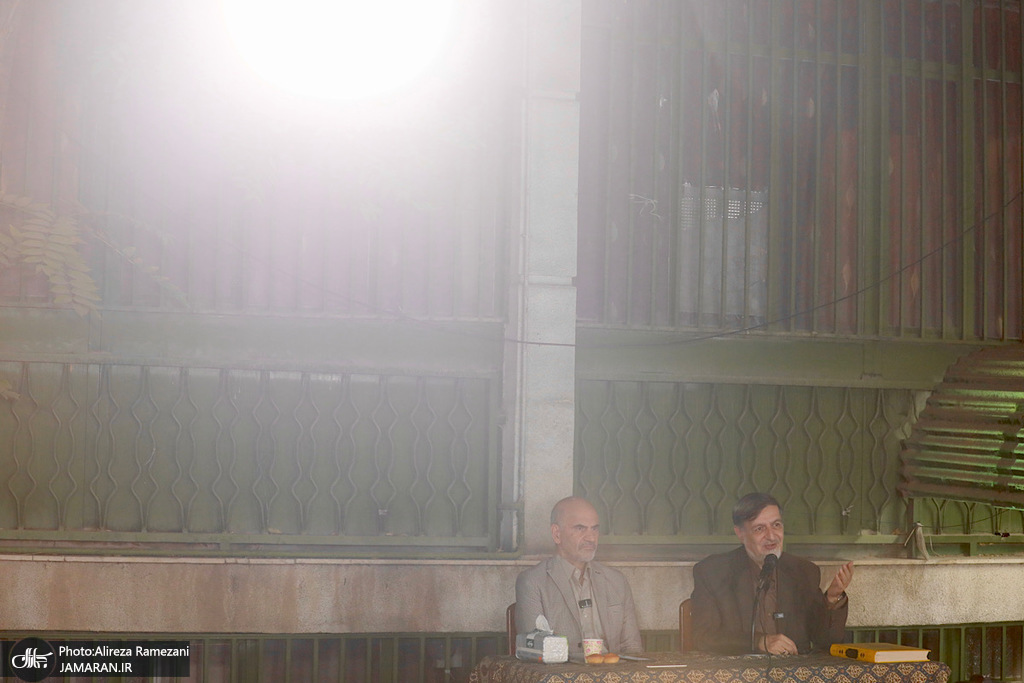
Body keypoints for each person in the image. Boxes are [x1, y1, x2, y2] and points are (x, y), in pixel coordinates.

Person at [690, 492, 854, 655]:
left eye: (776, 525)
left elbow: (825, 641)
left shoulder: (803, 571)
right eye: (759, 528)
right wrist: (759, 642)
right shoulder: (713, 572)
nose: (771, 536)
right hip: (738, 670)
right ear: (740, 533)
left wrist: (832, 599)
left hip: (792, 669)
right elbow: (704, 637)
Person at [515, 496, 643, 655]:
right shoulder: (532, 582)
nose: (591, 538)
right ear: (557, 534)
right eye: (580, 528)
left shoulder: (616, 581)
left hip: (613, 670)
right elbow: (535, 651)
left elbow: (633, 648)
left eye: (594, 529)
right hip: (560, 671)